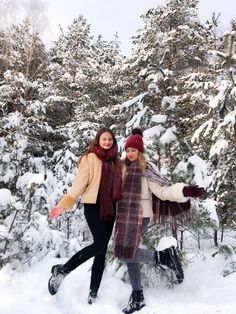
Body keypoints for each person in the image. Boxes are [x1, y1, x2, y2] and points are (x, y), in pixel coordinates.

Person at [114, 128, 205, 314]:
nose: (130, 153)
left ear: (140, 152)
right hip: (123, 216)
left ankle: (162, 258)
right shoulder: (121, 168)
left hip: (140, 216)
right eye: (128, 150)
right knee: (129, 256)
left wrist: (184, 191)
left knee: (125, 253)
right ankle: (138, 296)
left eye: (134, 150)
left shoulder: (146, 170)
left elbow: (163, 191)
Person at [48, 127, 122, 304]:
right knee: (100, 243)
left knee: (101, 251)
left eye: (110, 139)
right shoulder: (89, 158)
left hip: (110, 208)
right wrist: (64, 204)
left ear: (113, 141)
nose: (107, 142)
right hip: (93, 206)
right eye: (104, 139)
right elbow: (79, 183)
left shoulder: (117, 161)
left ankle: (93, 292)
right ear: (98, 140)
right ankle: (63, 270)